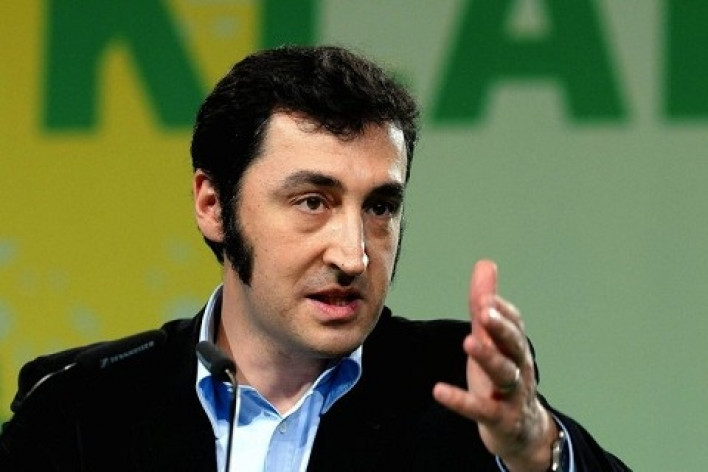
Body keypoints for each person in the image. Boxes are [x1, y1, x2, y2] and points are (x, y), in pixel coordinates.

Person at [0, 45, 630, 471]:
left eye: (380, 207)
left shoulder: (461, 394)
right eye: (312, 202)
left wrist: (536, 450)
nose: (354, 256)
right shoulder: (81, 407)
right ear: (213, 204)